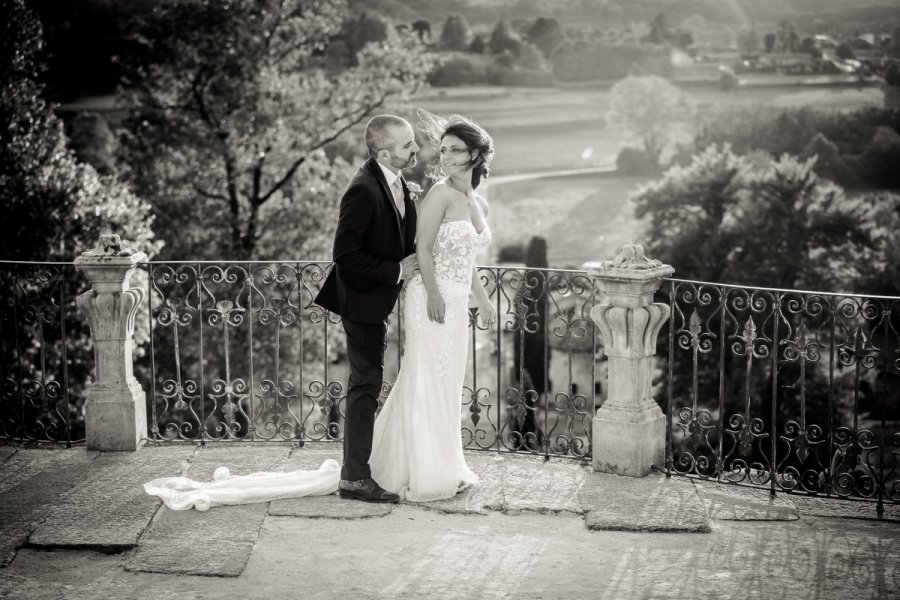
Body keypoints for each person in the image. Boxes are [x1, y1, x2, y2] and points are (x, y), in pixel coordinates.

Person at [143, 112, 496, 510]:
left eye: (442, 147)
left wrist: (477, 297)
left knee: (404, 382)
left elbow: (442, 250)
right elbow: (350, 254)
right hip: (376, 300)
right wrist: (407, 276)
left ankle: (403, 465)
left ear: (474, 154)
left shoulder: (405, 185)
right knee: (373, 383)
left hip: (407, 297)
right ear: (383, 151)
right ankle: (358, 476)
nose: (423, 151)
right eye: (408, 145)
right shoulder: (366, 188)